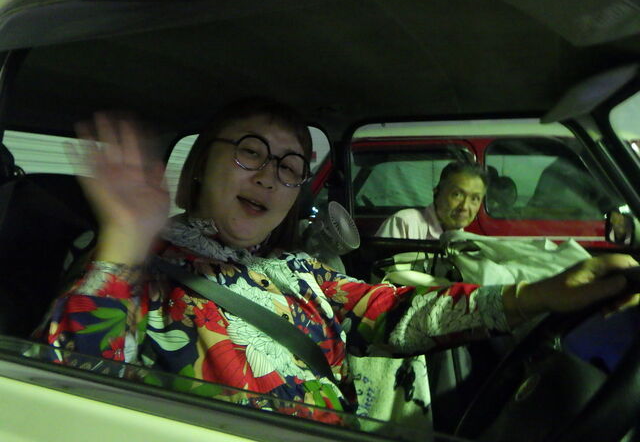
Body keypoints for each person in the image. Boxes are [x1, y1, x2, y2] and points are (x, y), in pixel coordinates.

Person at [44, 97, 637, 428]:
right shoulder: (132, 258)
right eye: (250, 152)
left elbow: (397, 311)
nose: (269, 176)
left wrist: (544, 294)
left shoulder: (299, 269)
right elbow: (69, 389)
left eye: (289, 166)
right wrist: (125, 237)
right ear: (201, 164)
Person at [376, 161, 488, 240]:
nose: (464, 207)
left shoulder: (465, 242)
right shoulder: (405, 224)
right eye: (457, 194)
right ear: (436, 192)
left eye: (474, 198)